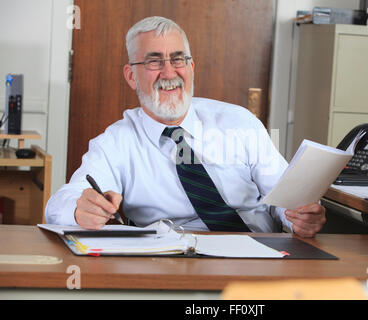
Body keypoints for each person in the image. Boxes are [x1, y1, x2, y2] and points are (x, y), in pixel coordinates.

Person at [45, 16, 326, 237]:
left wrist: (297, 217)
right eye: (154, 61)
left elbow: (283, 195)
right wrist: (80, 209)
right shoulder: (116, 142)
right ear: (131, 76)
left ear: (191, 67)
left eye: (178, 59)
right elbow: (59, 204)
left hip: (259, 255)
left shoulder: (240, 122)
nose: (170, 73)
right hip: (173, 262)